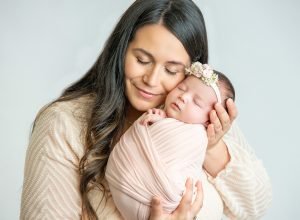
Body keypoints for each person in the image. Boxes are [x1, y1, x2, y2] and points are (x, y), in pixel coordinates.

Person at [20, 0, 272, 220]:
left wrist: (213, 147)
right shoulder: (64, 124)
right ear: (121, 51)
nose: (151, 80)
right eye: (141, 60)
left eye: (172, 71)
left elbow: (254, 207)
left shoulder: (200, 117)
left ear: (192, 71)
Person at [105, 63, 236, 220]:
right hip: (120, 178)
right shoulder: (161, 114)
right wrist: (159, 119)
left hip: (160, 204)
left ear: (210, 121)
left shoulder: (197, 135)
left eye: (197, 102)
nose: (183, 96)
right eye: (181, 88)